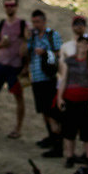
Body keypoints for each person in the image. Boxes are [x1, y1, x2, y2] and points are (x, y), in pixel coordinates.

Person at [0, 0, 28, 137]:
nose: (9, 7)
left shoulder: (22, 25)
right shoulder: (2, 24)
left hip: (15, 66)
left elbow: (29, 43)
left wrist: (26, 64)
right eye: (7, 5)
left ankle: (18, 128)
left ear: (16, 6)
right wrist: (1, 44)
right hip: (1, 64)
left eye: (12, 5)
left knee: (18, 97)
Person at [56, 27, 88, 166]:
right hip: (70, 98)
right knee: (69, 130)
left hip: (86, 99)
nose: (83, 46)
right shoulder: (69, 61)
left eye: (86, 44)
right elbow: (64, 79)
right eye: (81, 43)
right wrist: (60, 97)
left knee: (87, 131)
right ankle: (70, 156)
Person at [28, 9, 64, 150]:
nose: (35, 25)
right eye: (33, 22)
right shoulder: (33, 37)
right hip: (36, 77)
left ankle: (58, 141)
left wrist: (45, 52)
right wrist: (27, 38)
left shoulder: (52, 35)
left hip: (48, 77)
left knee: (52, 111)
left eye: (37, 22)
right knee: (44, 110)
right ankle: (51, 137)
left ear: (44, 21)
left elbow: (60, 53)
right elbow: (26, 53)